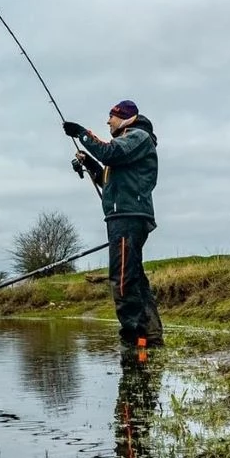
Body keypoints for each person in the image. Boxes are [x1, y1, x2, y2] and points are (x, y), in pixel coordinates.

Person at [62, 100, 163, 348]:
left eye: (111, 117)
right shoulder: (130, 145)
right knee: (135, 278)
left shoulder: (137, 136)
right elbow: (109, 183)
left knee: (122, 279)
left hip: (128, 217)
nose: (108, 122)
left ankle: (134, 339)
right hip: (123, 216)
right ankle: (150, 336)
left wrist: (81, 133)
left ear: (126, 117)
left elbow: (110, 152)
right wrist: (88, 163)